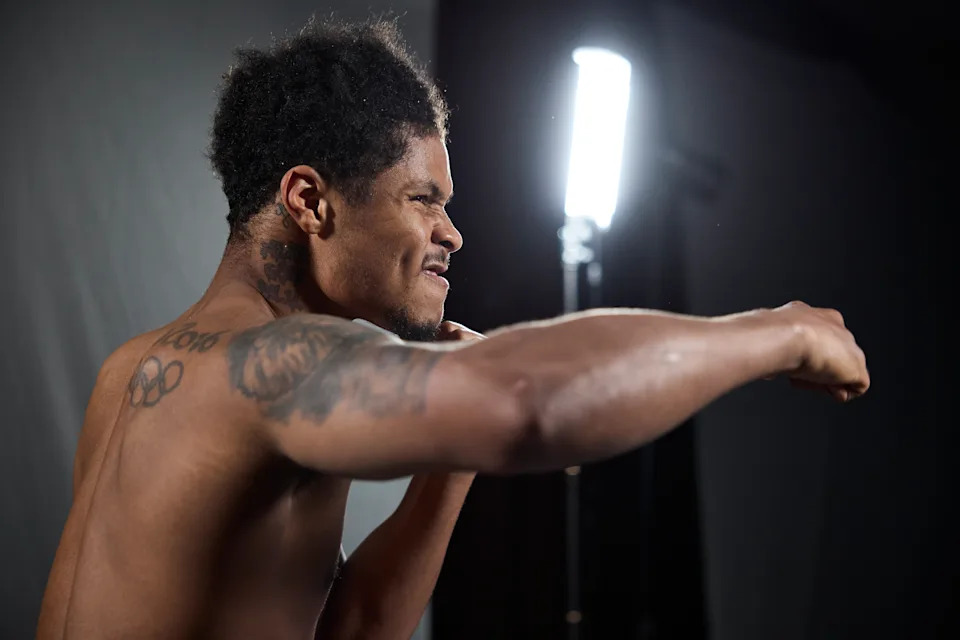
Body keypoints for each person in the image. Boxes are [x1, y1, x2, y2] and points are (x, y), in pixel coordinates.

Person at [35, 16, 869, 640]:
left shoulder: (131, 373)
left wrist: (450, 464)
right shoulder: (277, 366)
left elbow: (352, 628)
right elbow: (521, 404)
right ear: (310, 201)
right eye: (423, 200)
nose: (452, 234)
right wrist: (776, 330)